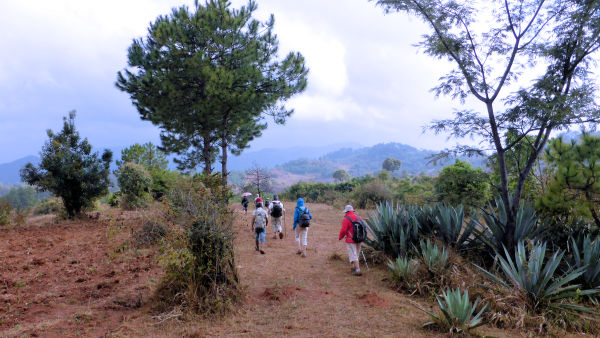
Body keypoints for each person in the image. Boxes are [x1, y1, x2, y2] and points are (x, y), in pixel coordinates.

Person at [339, 205, 363, 276]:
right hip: (359, 239)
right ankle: (354, 267)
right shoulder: (359, 218)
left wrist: (340, 237)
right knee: (357, 253)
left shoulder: (346, 219)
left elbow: (343, 230)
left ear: (347, 211)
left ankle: (358, 270)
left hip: (350, 239)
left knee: (353, 254)